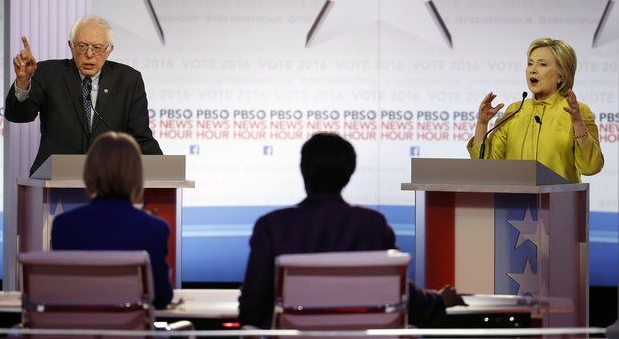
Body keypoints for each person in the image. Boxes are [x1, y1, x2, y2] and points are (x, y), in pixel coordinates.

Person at [238, 132, 464, 329]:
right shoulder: (372, 224)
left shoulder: (272, 225)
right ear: (349, 173)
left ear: (303, 170)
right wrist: (439, 300)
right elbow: (403, 298)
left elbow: (252, 306)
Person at [5, 15, 162, 175]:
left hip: (110, 180)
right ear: (71, 47)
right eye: (82, 46)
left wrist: (163, 171)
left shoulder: (128, 80)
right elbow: (19, 116)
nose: (89, 54)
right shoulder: (48, 73)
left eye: (97, 48)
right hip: (54, 179)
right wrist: (23, 83)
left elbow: (141, 137)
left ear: (109, 50)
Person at [51, 131, 173, 309]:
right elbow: (162, 298)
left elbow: (62, 294)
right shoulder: (155, 229)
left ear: (89, 172)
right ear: (137, 175)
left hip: (78, 331)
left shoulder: (63, 226)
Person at [467, 38, 604, 183]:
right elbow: (486, 167)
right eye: (530, 63)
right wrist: (482, 123)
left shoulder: (578, 111)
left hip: (558, 203)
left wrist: (577, 122)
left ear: (561, 75)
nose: (532, 69)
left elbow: (590, 168)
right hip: (512, 202)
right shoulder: (515, 111)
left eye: (543, 64)